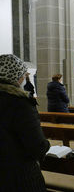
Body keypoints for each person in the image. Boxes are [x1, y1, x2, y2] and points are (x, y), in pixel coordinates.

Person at [0, 54, 50, 192]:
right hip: (18, 177)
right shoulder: (20, 103)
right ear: (17, 76)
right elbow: (37, 147)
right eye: (22, 74)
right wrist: (46, 145)